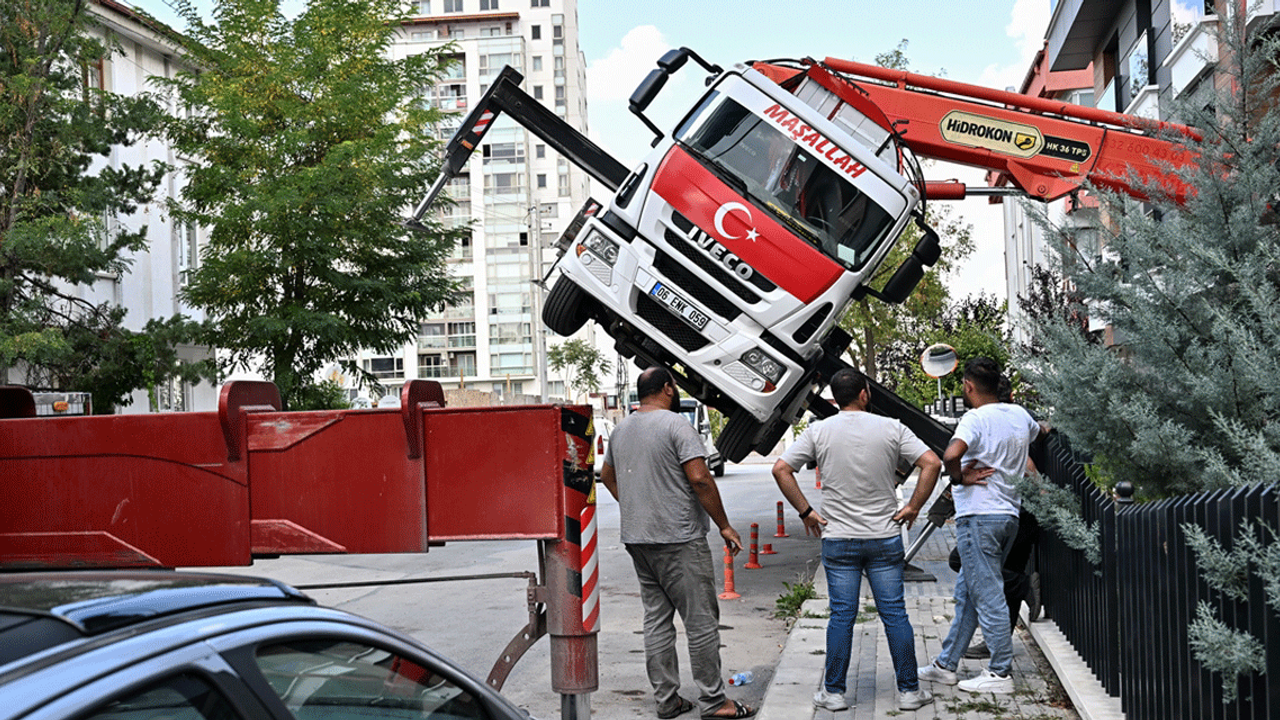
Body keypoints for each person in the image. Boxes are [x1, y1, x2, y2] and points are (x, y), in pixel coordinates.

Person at [771, 367, 942, 712]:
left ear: (835, 399)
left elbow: (780, 469)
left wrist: (806, 512)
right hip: (883, 537)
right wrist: (912, 507)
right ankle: (909, 692)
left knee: (842, 616)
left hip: (839, 539)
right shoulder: (892, 427)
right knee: (894, 613)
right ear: (865, 394)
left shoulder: (819, 431)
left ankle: (833, 693)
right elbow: (932, 463)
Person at [600, 367, 756, 720]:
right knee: (700, 621)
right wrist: (725, 526)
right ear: (668, 388)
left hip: (639, 540)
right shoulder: (676, 425)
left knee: (656, 620)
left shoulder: (622, 429)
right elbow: (700, 479)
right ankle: (715, 703)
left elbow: (607, 476)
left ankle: (667, 701)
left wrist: (639, 504)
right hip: (679, 538)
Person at [918, 357, 1046, 695]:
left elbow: (950, 456)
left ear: (969, 387)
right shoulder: (1019, 415)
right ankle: (947, 664)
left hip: (979, 517)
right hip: (1009, 516)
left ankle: (1000, 671)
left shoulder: (974, 419)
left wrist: (961, 478)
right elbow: (1038, 432)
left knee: (987, 593)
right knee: (968, 594)